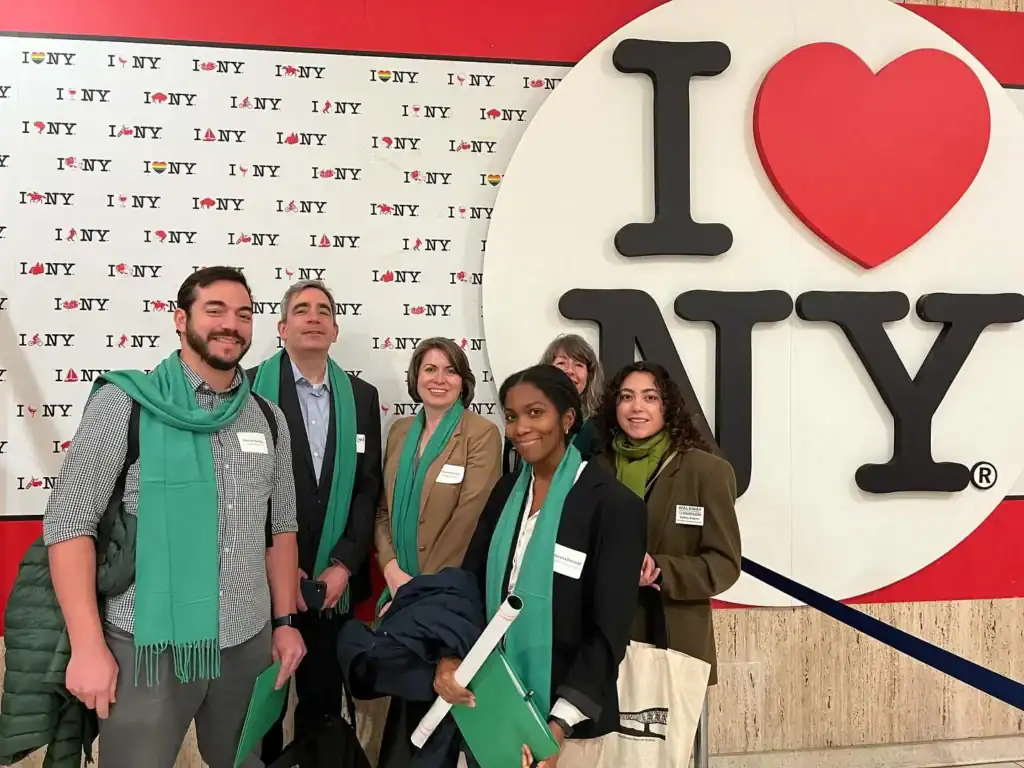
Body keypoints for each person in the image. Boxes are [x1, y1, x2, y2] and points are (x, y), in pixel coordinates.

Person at [42, 266, 305, 768]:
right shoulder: (126, 404)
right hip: (147, 646)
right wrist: (88, 646)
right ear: (181, 320)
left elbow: (280, 527)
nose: (231, 325)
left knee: (242, 761)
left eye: (244, 314)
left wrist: (285, 622)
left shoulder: (268, 417)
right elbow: (69, 524)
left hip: (246, 642)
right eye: (215, 310)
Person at [436, 365, 646, 767]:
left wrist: (555, 728)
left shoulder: (614, 506)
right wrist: (450, 656)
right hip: (492, 704)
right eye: (512, 416)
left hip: (566, 727)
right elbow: (470, 583)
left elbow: (609, 633)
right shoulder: (506, 491)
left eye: (535, 413)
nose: (520, 428)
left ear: (567, 419)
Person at [248, 280, 383, 762]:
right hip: (260, 583)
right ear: (282, 327)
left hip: (331, 585)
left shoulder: (362, 397)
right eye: (301, 309)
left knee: (321, 706)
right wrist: (282, 568)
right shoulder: (245, 389)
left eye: (323, 310)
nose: (313, 317)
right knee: (260, 709)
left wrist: (343, 565)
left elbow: (367, 487)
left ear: (335, 330)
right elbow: (238, 491)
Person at [374, 337, 501, 768]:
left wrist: (415, 593)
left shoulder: (481, 435)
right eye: (430, 369)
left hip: (445, 601)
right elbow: (382, 511)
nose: (439, 379)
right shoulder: (399, 432)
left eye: (450, 370)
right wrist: (392, 570)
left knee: (440, 725)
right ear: (415, 379)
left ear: (465, 381)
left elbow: (470, 521)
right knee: (407, 715)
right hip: (399, 588)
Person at [596, 361, 741, 688]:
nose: (636, 407)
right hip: (604, 639)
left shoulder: (707, 472)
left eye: (650, 397)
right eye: (626, 397)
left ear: (668, 406)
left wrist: (659, 569)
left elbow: (724, 564)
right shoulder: (597, 469)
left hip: (674, 640)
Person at [502, 334, 603, 475]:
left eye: (579, 365)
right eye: (561, 363)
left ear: (589, 376)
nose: (570, 371)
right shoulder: (519, 420)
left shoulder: (600, 427)